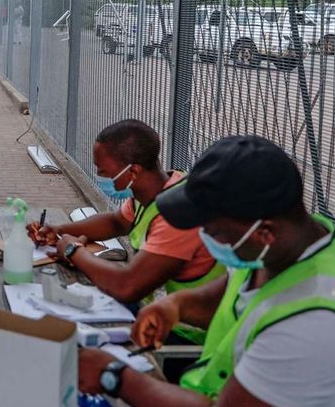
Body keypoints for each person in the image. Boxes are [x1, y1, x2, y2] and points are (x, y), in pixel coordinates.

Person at [78, 136, 335, 406]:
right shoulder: (295, 244)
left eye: (213, 231)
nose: (202, 237)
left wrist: (115, 377)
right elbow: (240, 288)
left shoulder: (321, 327)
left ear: (265, 233)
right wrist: (178, 306)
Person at [29, 119, 222, 343]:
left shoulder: (177, 216)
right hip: (156, 312)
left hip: (186, 335)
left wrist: (72, 250)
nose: (99, 175)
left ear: (133, 172)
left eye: (103, 171)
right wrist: (60, 230)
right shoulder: (159, 189)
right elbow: (116, 222)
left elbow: (127, 286)